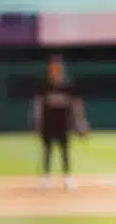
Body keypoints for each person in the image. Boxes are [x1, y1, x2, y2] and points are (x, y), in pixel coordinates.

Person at [31, 55, 88, 190]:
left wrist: (81, 122)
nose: (55, 70)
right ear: (49, 69)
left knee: (65, 151)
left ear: (62, 69)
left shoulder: (68, 86)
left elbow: (77, 105)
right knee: (47, 151)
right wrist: (36, 123)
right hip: (47, 124)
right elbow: (37, 106)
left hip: (63, 124)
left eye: (58, 67)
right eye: (53, 67)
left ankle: (68, 178)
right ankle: (45, 179)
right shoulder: (44, 86)